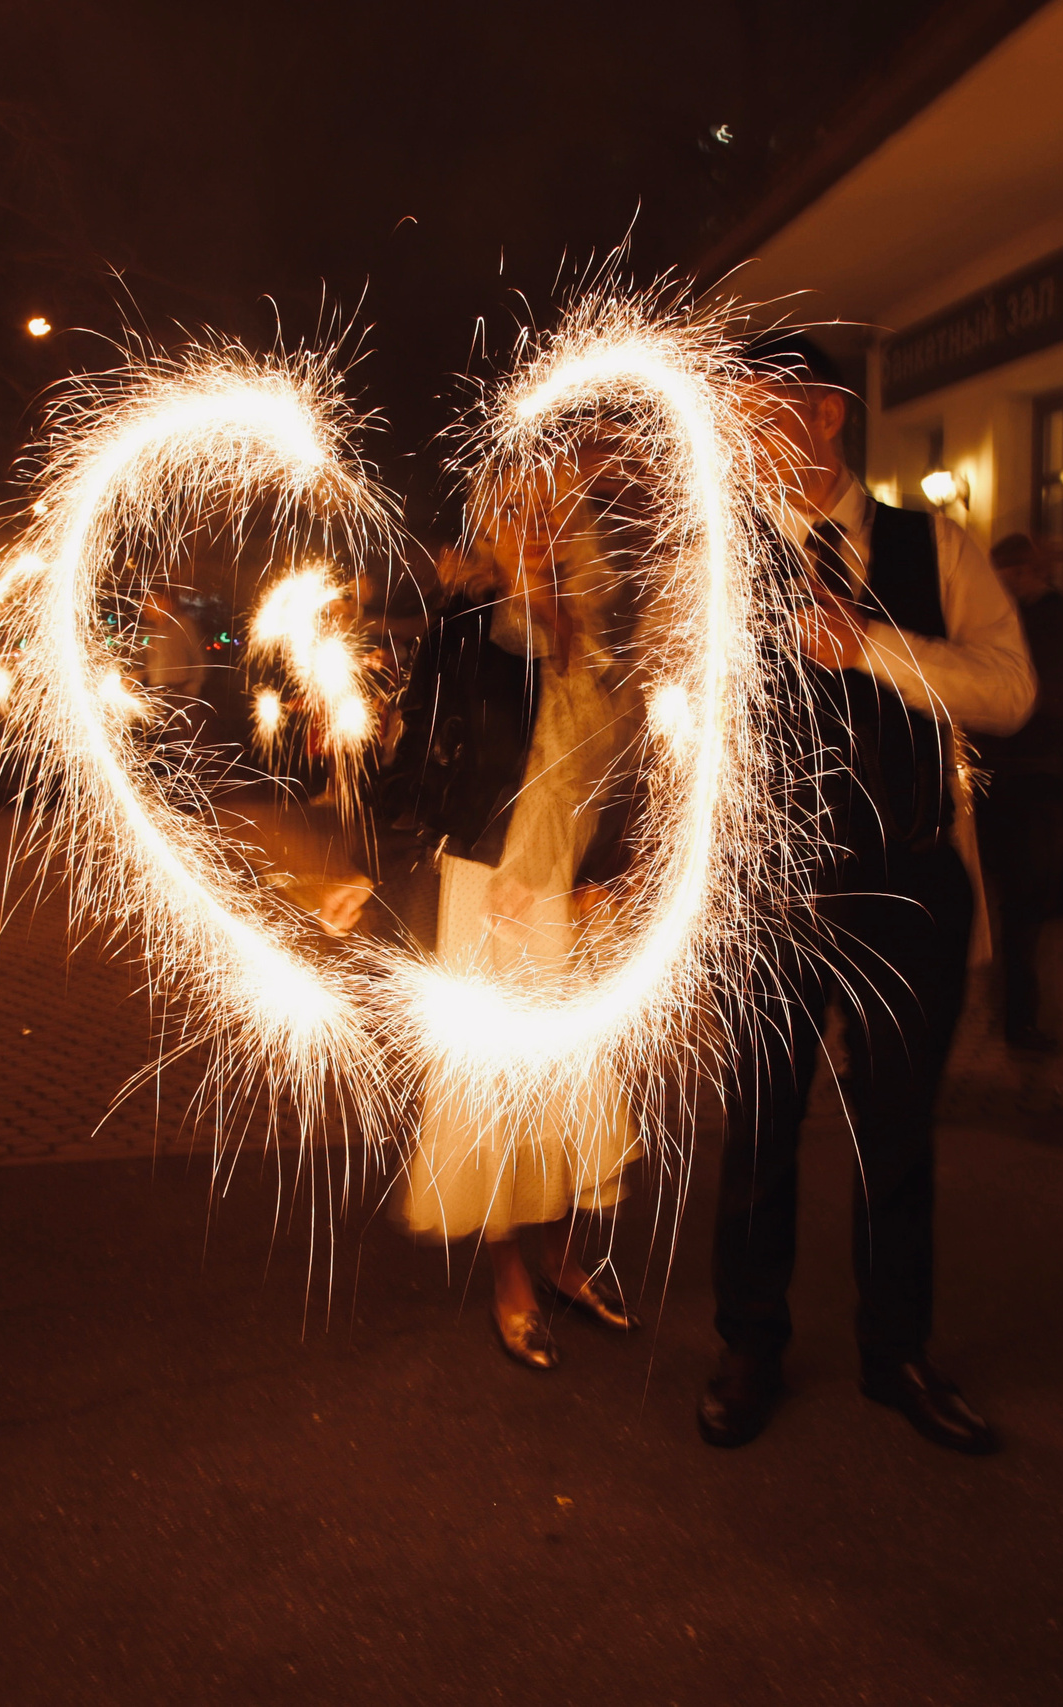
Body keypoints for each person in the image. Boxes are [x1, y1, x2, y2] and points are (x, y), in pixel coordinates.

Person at [698, 336, 1035, 1453]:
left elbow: (1011, 694)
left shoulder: (931, 547)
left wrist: (872, 646)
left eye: (756, 409)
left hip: (904, 882)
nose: (737, 433)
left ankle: (895, 1353)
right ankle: (751, 1343)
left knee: (894, 1132)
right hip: (768, 886)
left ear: (826, 415)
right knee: (756, 1129)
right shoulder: (718, 559)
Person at [377, 476, 646, 1370]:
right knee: (491, 1086)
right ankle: (510, 1277)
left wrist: (603, 871)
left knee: (566, 1081)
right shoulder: (470, 625)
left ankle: (563, 1256)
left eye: (554, 517)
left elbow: (624, 766)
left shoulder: (600, 632)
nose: (539, 534)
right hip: (488, 883)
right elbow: (419, 752)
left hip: (568, 887)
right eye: (519, 519)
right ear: (493, 531)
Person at [972, 533, 1063, 1053]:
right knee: (1013, 909)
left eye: (1005, 576)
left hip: (1029, 781)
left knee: (1020, 909)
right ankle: (1013, 1013)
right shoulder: (1037, 621)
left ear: (1021, 573)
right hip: (1016, 779)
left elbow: (1027, 699)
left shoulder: (1035, 625)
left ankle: (1017, 1015)